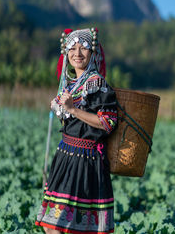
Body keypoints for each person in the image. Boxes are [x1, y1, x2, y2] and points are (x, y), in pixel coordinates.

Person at [35, 28, 118, 234]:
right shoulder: (69, 86)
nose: (77, 53)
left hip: (87, 161)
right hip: (65, 158)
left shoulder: (98, 85)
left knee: (72, 228)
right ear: (66, 53)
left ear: (93, 53)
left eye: (84, 48)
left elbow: (107, 122)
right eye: (72, 48)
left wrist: (72, 109)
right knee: (51, 226)